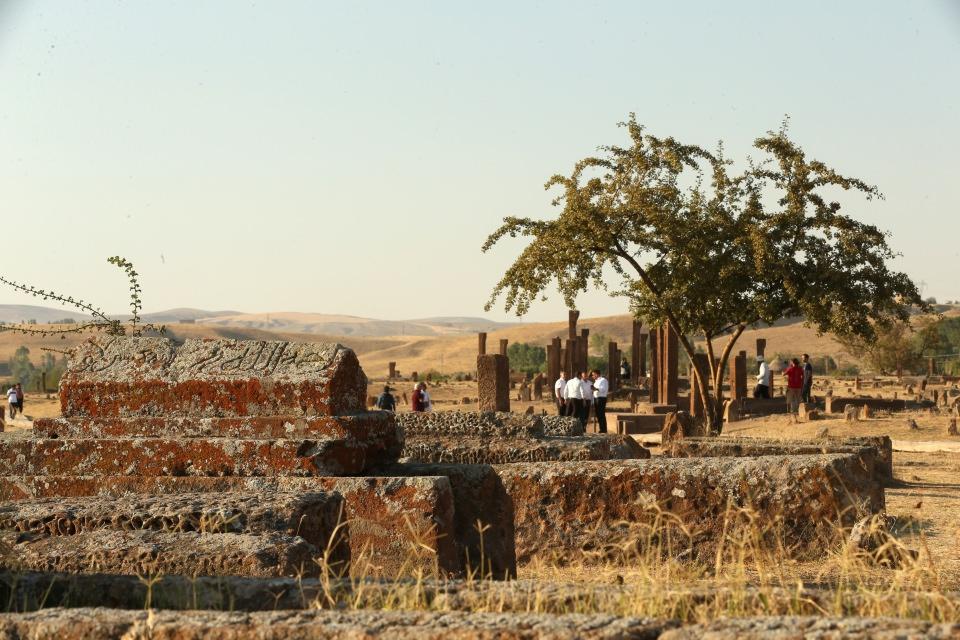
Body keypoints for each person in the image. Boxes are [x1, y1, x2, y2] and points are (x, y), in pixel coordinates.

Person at [591, 369, 609, 433]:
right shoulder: (596, 381)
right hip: (596, 399)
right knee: (598, 414)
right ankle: (601, 429)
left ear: (597, 374)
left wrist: (595, 389)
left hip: (601, 398)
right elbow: (594, 392)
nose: (592, 376)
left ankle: (604, 429)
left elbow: (603, 389)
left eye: (593, 375)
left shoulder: (603, 380)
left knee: (601, 414)